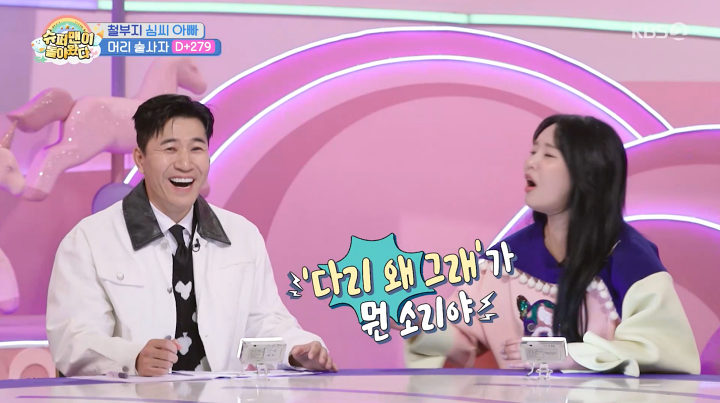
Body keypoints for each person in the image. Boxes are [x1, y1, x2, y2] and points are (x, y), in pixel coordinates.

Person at [46, 94, 336, 377]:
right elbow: (73, 342)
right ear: (140, 159)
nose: (185, 163)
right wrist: (132, 358)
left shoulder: (242, 235)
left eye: (196, 148)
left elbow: (265, 322)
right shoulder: (89, 240)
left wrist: (297, 350)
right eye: (170, 149)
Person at [397, 114, 700, 377]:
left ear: (587, 172)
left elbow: (663, 351)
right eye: (533, 151)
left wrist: (564, 355)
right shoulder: (506, 259)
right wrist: (417, 322)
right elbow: (464, 340)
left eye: (548, 155)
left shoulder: (630, 259)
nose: (530, 163)